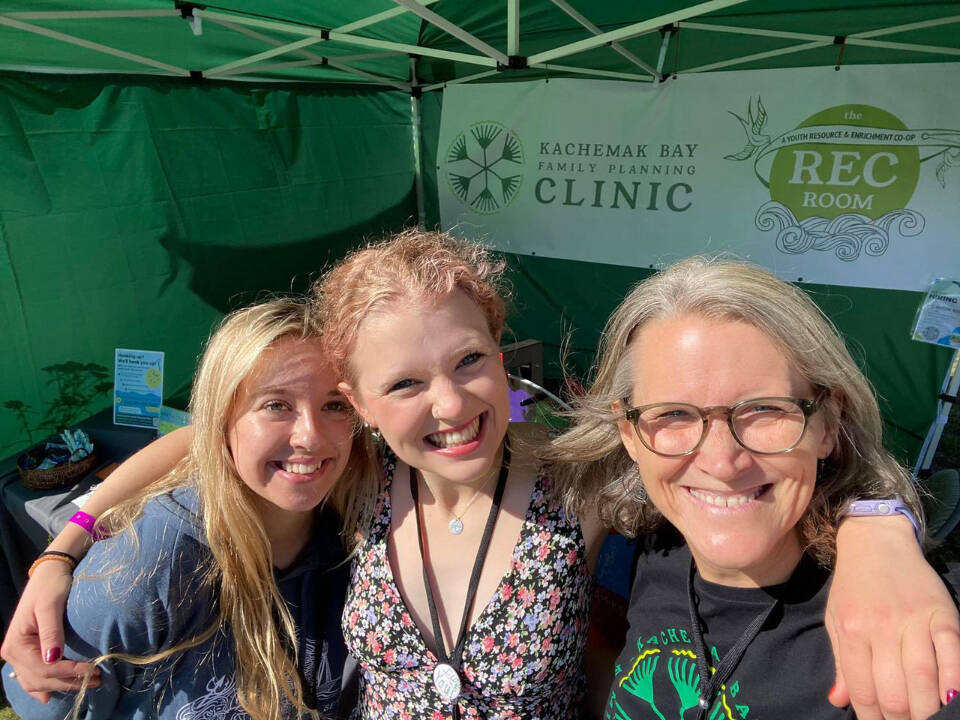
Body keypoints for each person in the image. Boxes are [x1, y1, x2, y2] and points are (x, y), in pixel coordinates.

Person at [4, 232, 960, 719]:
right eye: (406, 383)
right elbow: (205, 440)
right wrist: (65, 545)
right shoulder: (357, 473)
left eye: (470, 362)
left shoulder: (577, 476)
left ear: (505, 355)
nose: (452, 406)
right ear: (360, 400)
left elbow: (745, 459)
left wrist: (881, 525)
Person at [544, 256, 960, 720]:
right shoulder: (656, 549)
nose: (722, 462)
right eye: (674, 414)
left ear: (828, 424)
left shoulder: (908, 630)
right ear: (630, 433)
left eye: (765, 409)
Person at [2, 298, 374, 720]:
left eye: (334, 405)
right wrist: (63, 549)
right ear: (222, 418)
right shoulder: (149, 563)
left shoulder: (356, 520)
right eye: (276, 405)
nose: (310, 435)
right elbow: (47, 700)